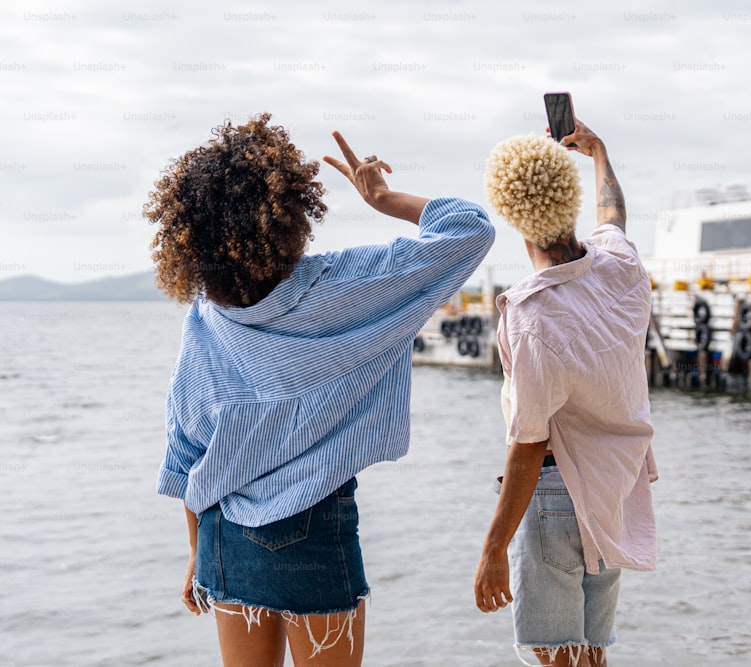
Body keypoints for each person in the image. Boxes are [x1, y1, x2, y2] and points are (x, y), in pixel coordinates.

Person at [146, 113, 494, 666]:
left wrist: (195, 556)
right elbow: (470, 229)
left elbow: (186, 453)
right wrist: (384, 199)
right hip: (315, 527)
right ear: (288, 215)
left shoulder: (205, 321)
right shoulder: (344, 288)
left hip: (223, 535)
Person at [474, 120, 658, 667]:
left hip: (558, 489)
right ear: (568, 199)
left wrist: (492, 552)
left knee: (557, 656)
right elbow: (614, 215)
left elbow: (528, 443)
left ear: (512, 216)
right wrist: (598, 151)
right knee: (591, 653)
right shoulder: (620, 264)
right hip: (614, 486)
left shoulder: (531, 317)